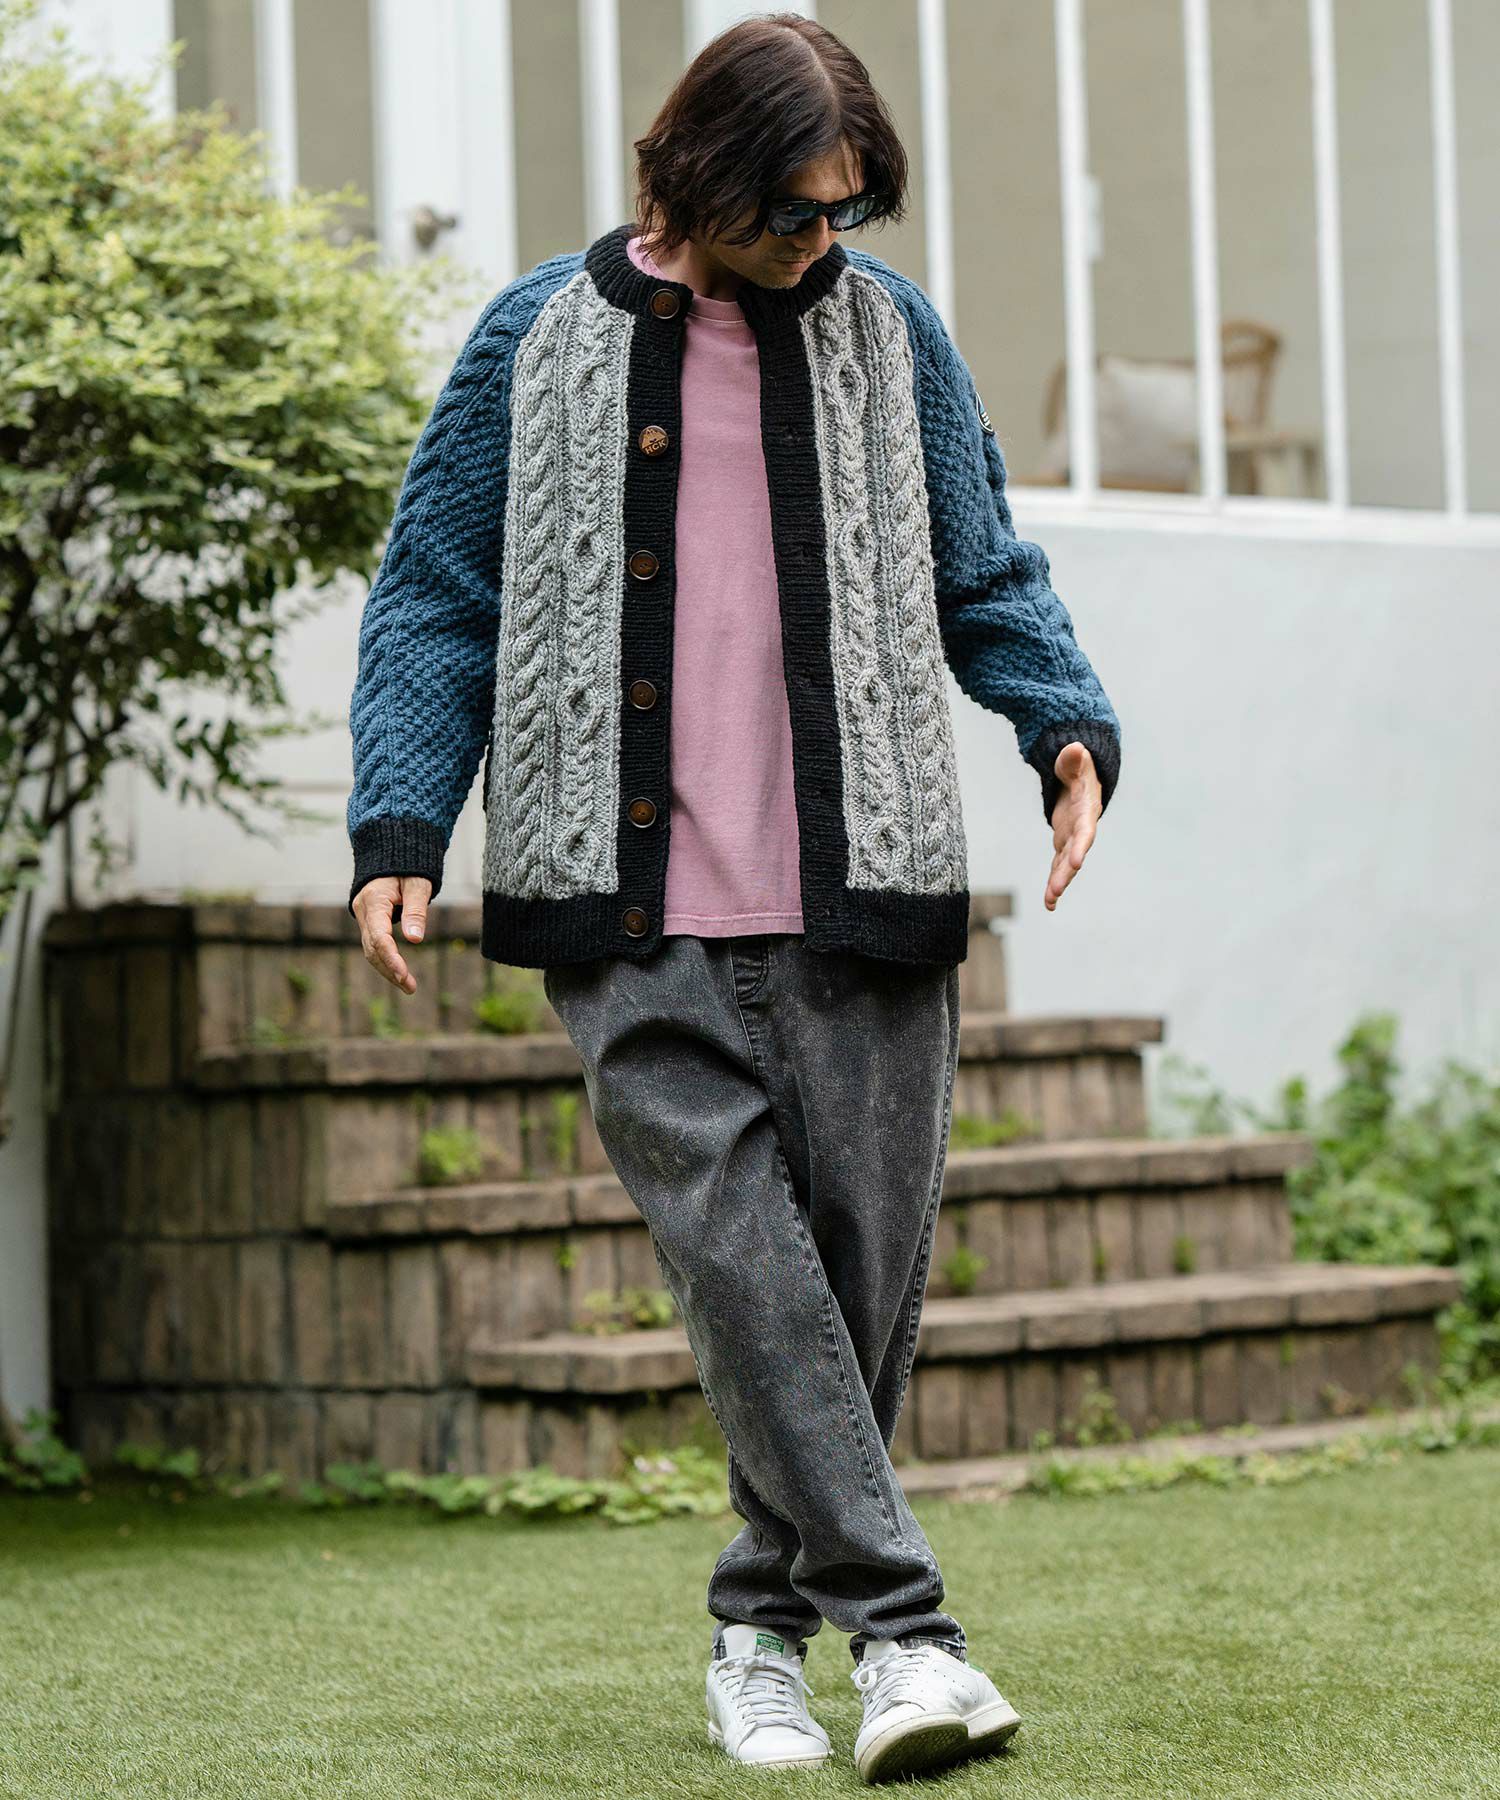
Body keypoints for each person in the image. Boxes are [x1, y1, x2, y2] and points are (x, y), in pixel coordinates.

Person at [347, 12, 1120, 1784]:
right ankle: (909, 1638)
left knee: (849, 1295)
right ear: (691, 179)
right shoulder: (533, 341)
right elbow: (435, 593)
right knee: (744, 1267)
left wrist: (1063, 726)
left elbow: (983, 564)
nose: (820, 242)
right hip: (625, 907)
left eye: (846, 212)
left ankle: (757, 1637)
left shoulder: (890, 335)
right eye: (792, 211)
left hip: (863, 889)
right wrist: (402, 820)